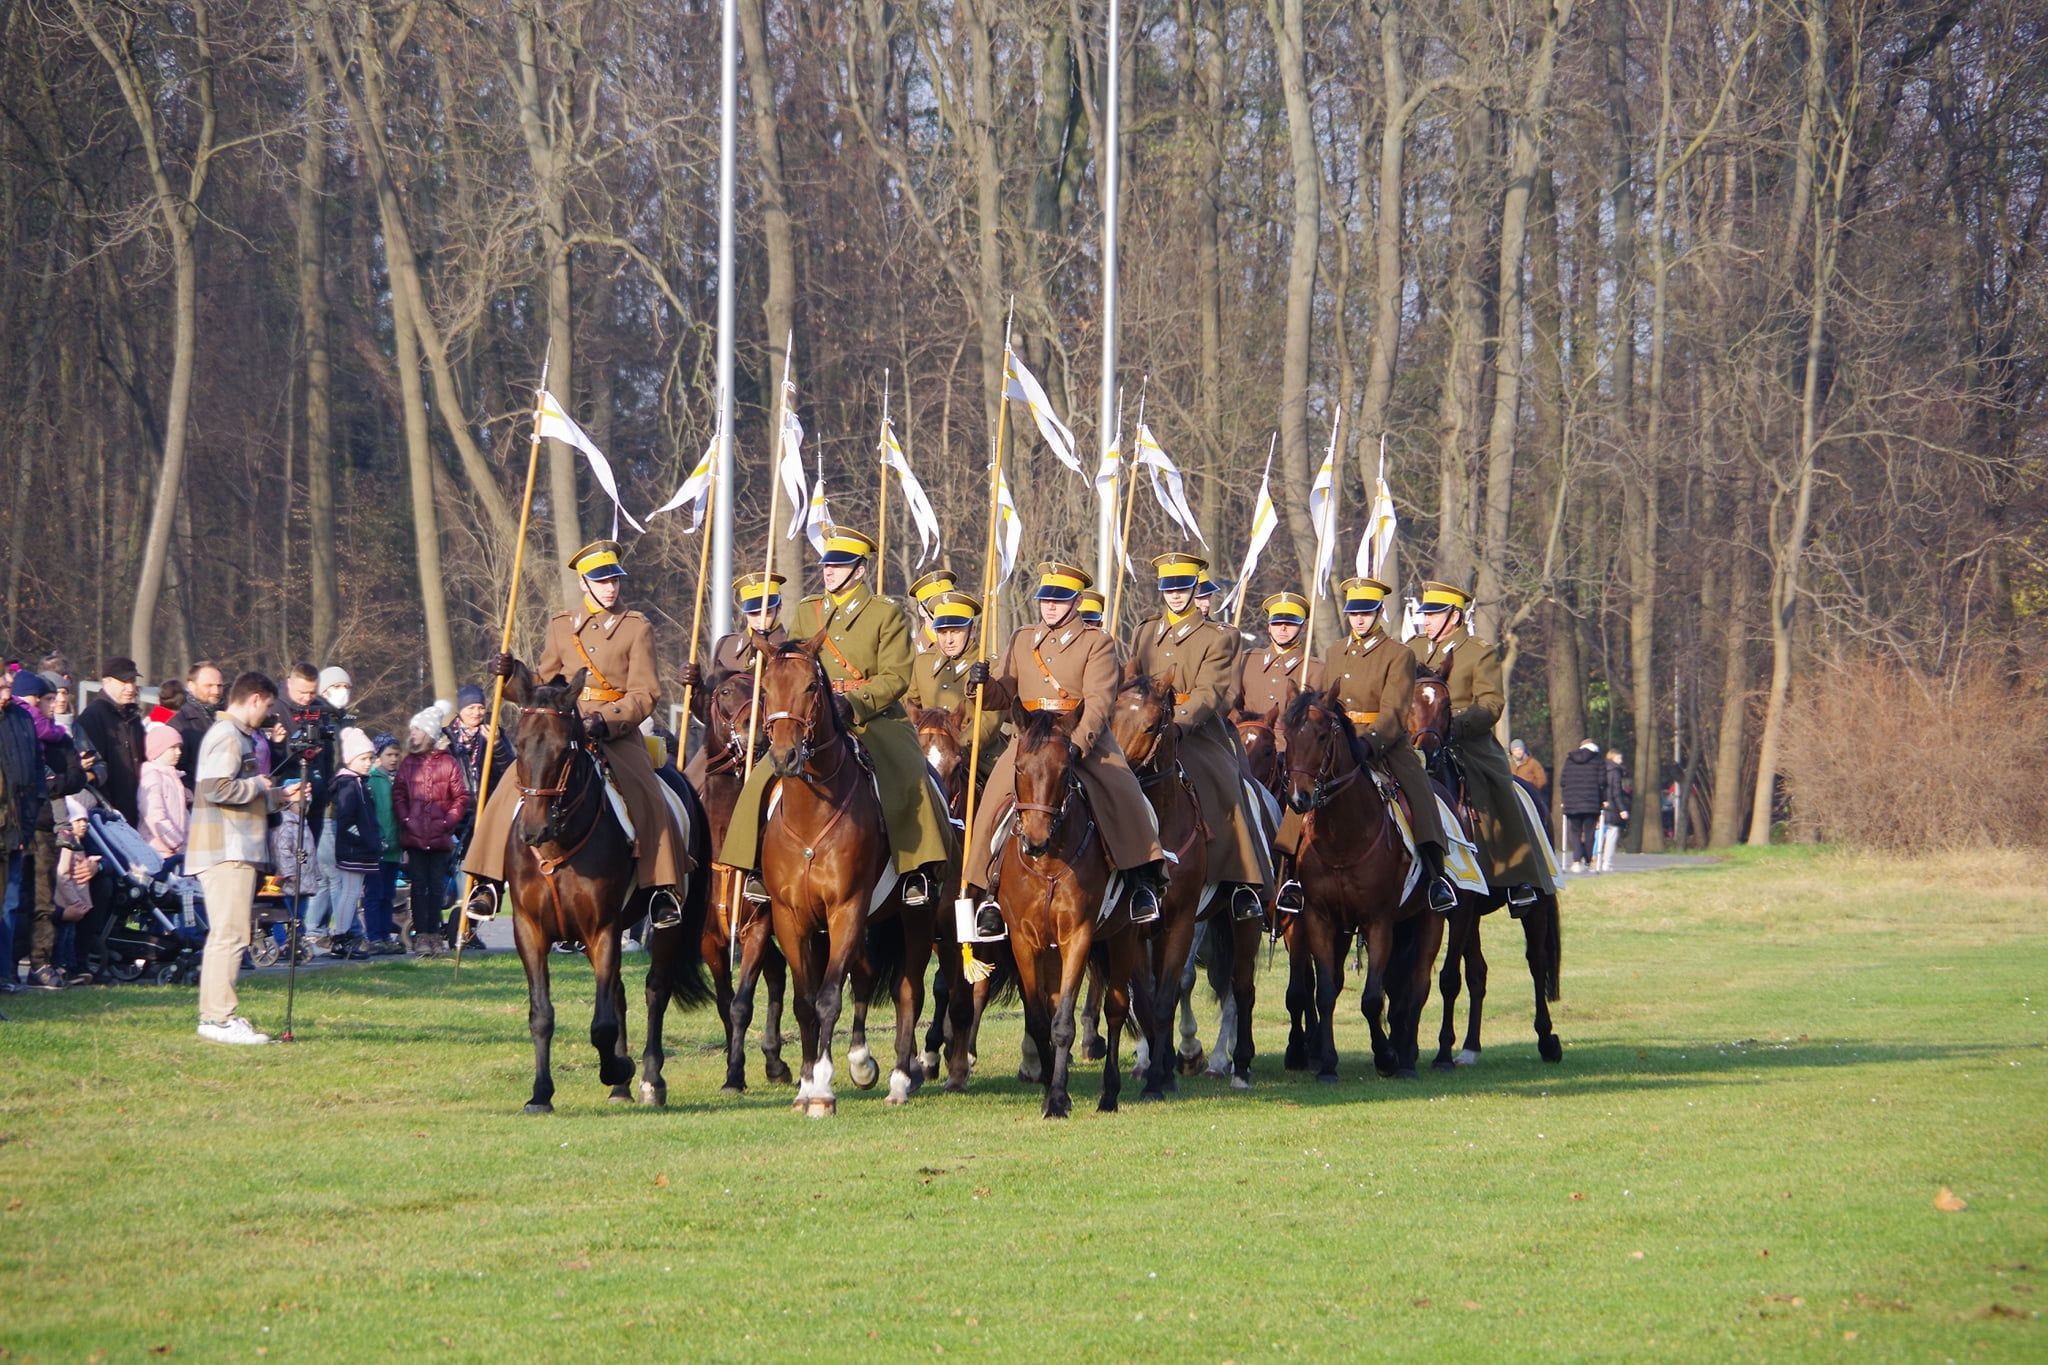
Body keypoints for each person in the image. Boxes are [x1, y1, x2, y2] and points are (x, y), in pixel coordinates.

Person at [717, 529, 952, 908]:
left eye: (840, 565)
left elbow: (895, 676)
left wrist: (855, 702)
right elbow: (791, 665)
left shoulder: (884, 613)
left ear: (859, 571)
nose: (829, 571)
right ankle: (755, 866)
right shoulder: (808, 611)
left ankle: (916, 870)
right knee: (763, 773)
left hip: (872, 716)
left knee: (909, 771)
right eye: (827, 563)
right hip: (815, 715)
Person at [468, 539, 692, 929]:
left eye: (614, 580)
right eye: (601, 580)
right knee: (509, 787)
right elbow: (541, 681)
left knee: (648, 793)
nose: (611, 587)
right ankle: (486, 882)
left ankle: (661, 889)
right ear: (584, 585)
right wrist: (509, 674)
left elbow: (645, 692)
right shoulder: (561, 626)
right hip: (562, 723)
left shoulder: (636, 627)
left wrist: (608, 720)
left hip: (614, 729)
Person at [961, 561, 1168, 940]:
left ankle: (1142, 880)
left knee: (1123, 790)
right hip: (1032, 740)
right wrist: (980, 685)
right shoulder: (1023, 639)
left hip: (1080, 738)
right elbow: (1005, 693)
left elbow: (1099, 701)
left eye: (1059, 600)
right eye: (1045, 600)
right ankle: (983, 892)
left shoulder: (1096, 642)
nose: (1050, 607)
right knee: (992, 800)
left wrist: (1076, 746)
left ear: (1075, 602)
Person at [1282, 576, 1456, 916]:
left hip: (1384, 743)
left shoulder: (1398, 654)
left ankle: (1436, 876)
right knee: (1300, 794)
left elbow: (1394, 712)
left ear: (1379, 612)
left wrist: (1366, 744)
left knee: (1418, 789)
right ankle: (1289, 876)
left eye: (1367, 612)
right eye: (1354, 613)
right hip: (1335, 741)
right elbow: (1324, 703)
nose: (1359, 619)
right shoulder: (1334, 652)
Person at [1126, 552, 1273, 921]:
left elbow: (1211, 693)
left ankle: (1243, 880)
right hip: (1147, 728)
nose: (1175, 596)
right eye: (1168, 589)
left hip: (1198, 732)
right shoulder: (1145, 631)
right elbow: (1133, 679)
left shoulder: (1219, 637)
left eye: (1182, 588)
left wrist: (1179, 724)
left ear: (1194, 589)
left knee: (1227, 786)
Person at [1408, 581, 1554, 908]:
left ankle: (1517, 875)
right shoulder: (1413, 649)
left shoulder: (1478, 651)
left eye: (1434, 614)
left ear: (1454, 616)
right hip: (1417, 738)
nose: (1426, 620)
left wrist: (1452, 726)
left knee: (1500, 789)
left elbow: (1490, 703)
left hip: (1465, 741)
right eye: (1425, 614)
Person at [190, 671, 303, 1044]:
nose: (268, 715)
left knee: (230, 933)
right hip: (226, 849)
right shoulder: (226, 736)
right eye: (268, 706)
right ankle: (219, 1018)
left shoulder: (239, 737)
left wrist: (283, 797)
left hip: (236, 847)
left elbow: (245, 792)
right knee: (230, 934)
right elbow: (215, 788)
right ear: (255, 698)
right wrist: (259, 785)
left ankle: (216, 1015)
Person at [12, 672, 87, 991]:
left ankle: (42, 961)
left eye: (50, 698)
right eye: (44, 699)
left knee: (43, 897)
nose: (50, 704)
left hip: (45, 824)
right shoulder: (17, 731)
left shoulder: (59, 738)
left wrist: (50, 784)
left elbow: (76, 777)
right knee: (16, 897)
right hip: (18, 822)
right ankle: (11, 962)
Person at [679, 572, 788, 789]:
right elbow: (708, 713)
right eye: (754, 612)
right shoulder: (727, 647)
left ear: (779, 607)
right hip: (724, 748)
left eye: (766, 611)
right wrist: (695, 687)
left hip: (770, 746)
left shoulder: (789, 651)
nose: (759, 618)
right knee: (685, 793)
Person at [395, 707, 468, 955]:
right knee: (418, 885)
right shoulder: (408, 763)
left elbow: (460, 797)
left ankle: (435, 933)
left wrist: (447, 823)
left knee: (436, 885)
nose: (412, 733)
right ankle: (421, 934)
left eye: (417, 729)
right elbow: (399, 794)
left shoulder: (448, 763)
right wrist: (407, 819)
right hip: (414, 835)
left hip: (439, 836)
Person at [906, 589, 1004, 773]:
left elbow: (991, 718)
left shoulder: (991, 666)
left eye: (956, 632)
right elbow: (910, 707)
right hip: (928, 751)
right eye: (942, 632)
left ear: (972, 630)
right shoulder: (922, 663)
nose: (948, 640)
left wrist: (957, 744)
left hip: (976, 754)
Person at [317, 728, 380, 957]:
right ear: (351, 759)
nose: (367, 763)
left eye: (370, 759)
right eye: (363, 759)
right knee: (349, 892)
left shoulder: (360, 783)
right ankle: (342, 936)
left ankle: (343, 935)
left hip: (359, 846)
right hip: (353, 847)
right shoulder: (348, 784)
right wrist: (364, 838)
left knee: (351, 892)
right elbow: (346, 818)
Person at [0, 665, 39, 990]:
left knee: (10, 905)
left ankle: (5, 974)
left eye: (7, 687)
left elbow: (34, 776)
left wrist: (26, 828)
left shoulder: (22, 719)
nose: (6, 694)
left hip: (14, 831)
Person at [1231, 591, 1324, 726]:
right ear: (1269, 627)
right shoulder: (1247, 660)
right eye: (1276, 623)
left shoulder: (1316, 670)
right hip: (1249, 742)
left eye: (1290, 623)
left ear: (1303, 627)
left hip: (1290, 744)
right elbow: (1230, 705)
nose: (1283, 628)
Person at [74, 657, 145, 823]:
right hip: (108, 816)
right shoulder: (92, 717)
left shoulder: (133, 717)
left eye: (132, 681)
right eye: (124, 681)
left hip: (134, 811)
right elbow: (94, 771)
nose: (130, 687)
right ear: (106, 682)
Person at [360, 735, 404, 952]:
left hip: (394, 849)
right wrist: (377, 838)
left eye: (397, 755)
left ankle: (386, 934)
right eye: (389, 755)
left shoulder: (398, 780)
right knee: (374, 894)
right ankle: (374, 935)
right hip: (378, 848)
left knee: (389, 895)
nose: (394, 759)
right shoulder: (373, 780)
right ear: (379, 756)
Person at [137, 725, 189, 859]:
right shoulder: (152, 776)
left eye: (180, 748)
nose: (179, 752)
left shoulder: (173, 777)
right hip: (158, 851)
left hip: (175, 850)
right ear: (158, 749)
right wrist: (175, 841)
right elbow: (154, 815)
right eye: (173, 748)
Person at [172, 661, 223, 789]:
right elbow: (177, 769)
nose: (216, 691)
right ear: (191, 686)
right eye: (209, 685)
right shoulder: (180, 723)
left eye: (219, 685)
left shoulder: (224, 716)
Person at [1558, 738, 1605, 872]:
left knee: (1575, 832)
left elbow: (1563, 781)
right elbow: (1602, 782)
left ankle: (1576, 861)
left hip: (1572, 802)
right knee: (1589, 832)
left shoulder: (1570, 759)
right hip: (1591, 802)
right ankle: (1589, 860)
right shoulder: (1597, 760)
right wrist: (1603, 800)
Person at [907, 567, 957, 655]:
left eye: (948, 601)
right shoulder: (910, 653)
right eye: (935, 604)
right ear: (922, 611)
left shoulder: (966, 645)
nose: (943, 609)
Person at [1598, 748, 1630, 873]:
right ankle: (1607, 862)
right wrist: (1622, 809)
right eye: (1619, 758)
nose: (1621, 761)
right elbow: (1616, 791)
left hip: (1602, 805)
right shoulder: (1615, 771)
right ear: (1613, 758)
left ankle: (1595, 861)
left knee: (1599, 835)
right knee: (1612, 833)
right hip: (1612, 807)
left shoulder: (1601, 769)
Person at [1508, 738, 1548, 810]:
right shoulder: (1510, 766)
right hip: (1515, 795)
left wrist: (1532, 787)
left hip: (1531, 795)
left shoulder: (1533, 763)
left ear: (1524, 750)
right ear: (1512, 752)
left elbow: (1542, 780)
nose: (1518, 752)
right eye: (1515, 750)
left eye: (1520, 749)